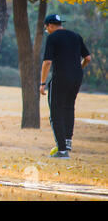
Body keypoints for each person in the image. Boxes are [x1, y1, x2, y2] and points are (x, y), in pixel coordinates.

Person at [40, 14, 91, 159]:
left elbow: (47, 62)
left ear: (50, 25)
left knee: (56, 112)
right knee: (69, 107)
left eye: (46, 28)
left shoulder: (53, 37)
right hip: (76, 78)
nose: (46, 30)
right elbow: (88, 58)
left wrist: (42, 83)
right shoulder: (76, 36)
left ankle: (62, 150)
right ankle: (67, 142)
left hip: (61, 77)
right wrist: (78, 69)